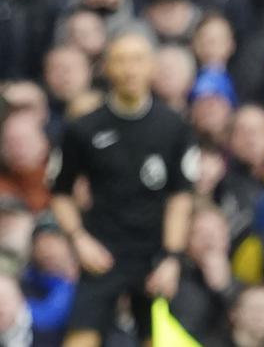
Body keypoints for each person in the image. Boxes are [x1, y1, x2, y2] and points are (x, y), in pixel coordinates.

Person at [49, 31, 195, 347]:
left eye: (138, 60)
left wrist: (172, 257)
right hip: (103, 252)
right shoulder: (82, 128)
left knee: (159, 338)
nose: (130, 70)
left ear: (152, 67)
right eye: (121, 60)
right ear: (107, 68)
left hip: (154, 255)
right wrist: (79, 239)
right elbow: (59, 193)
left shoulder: (174, 127)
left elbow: (181, 197)